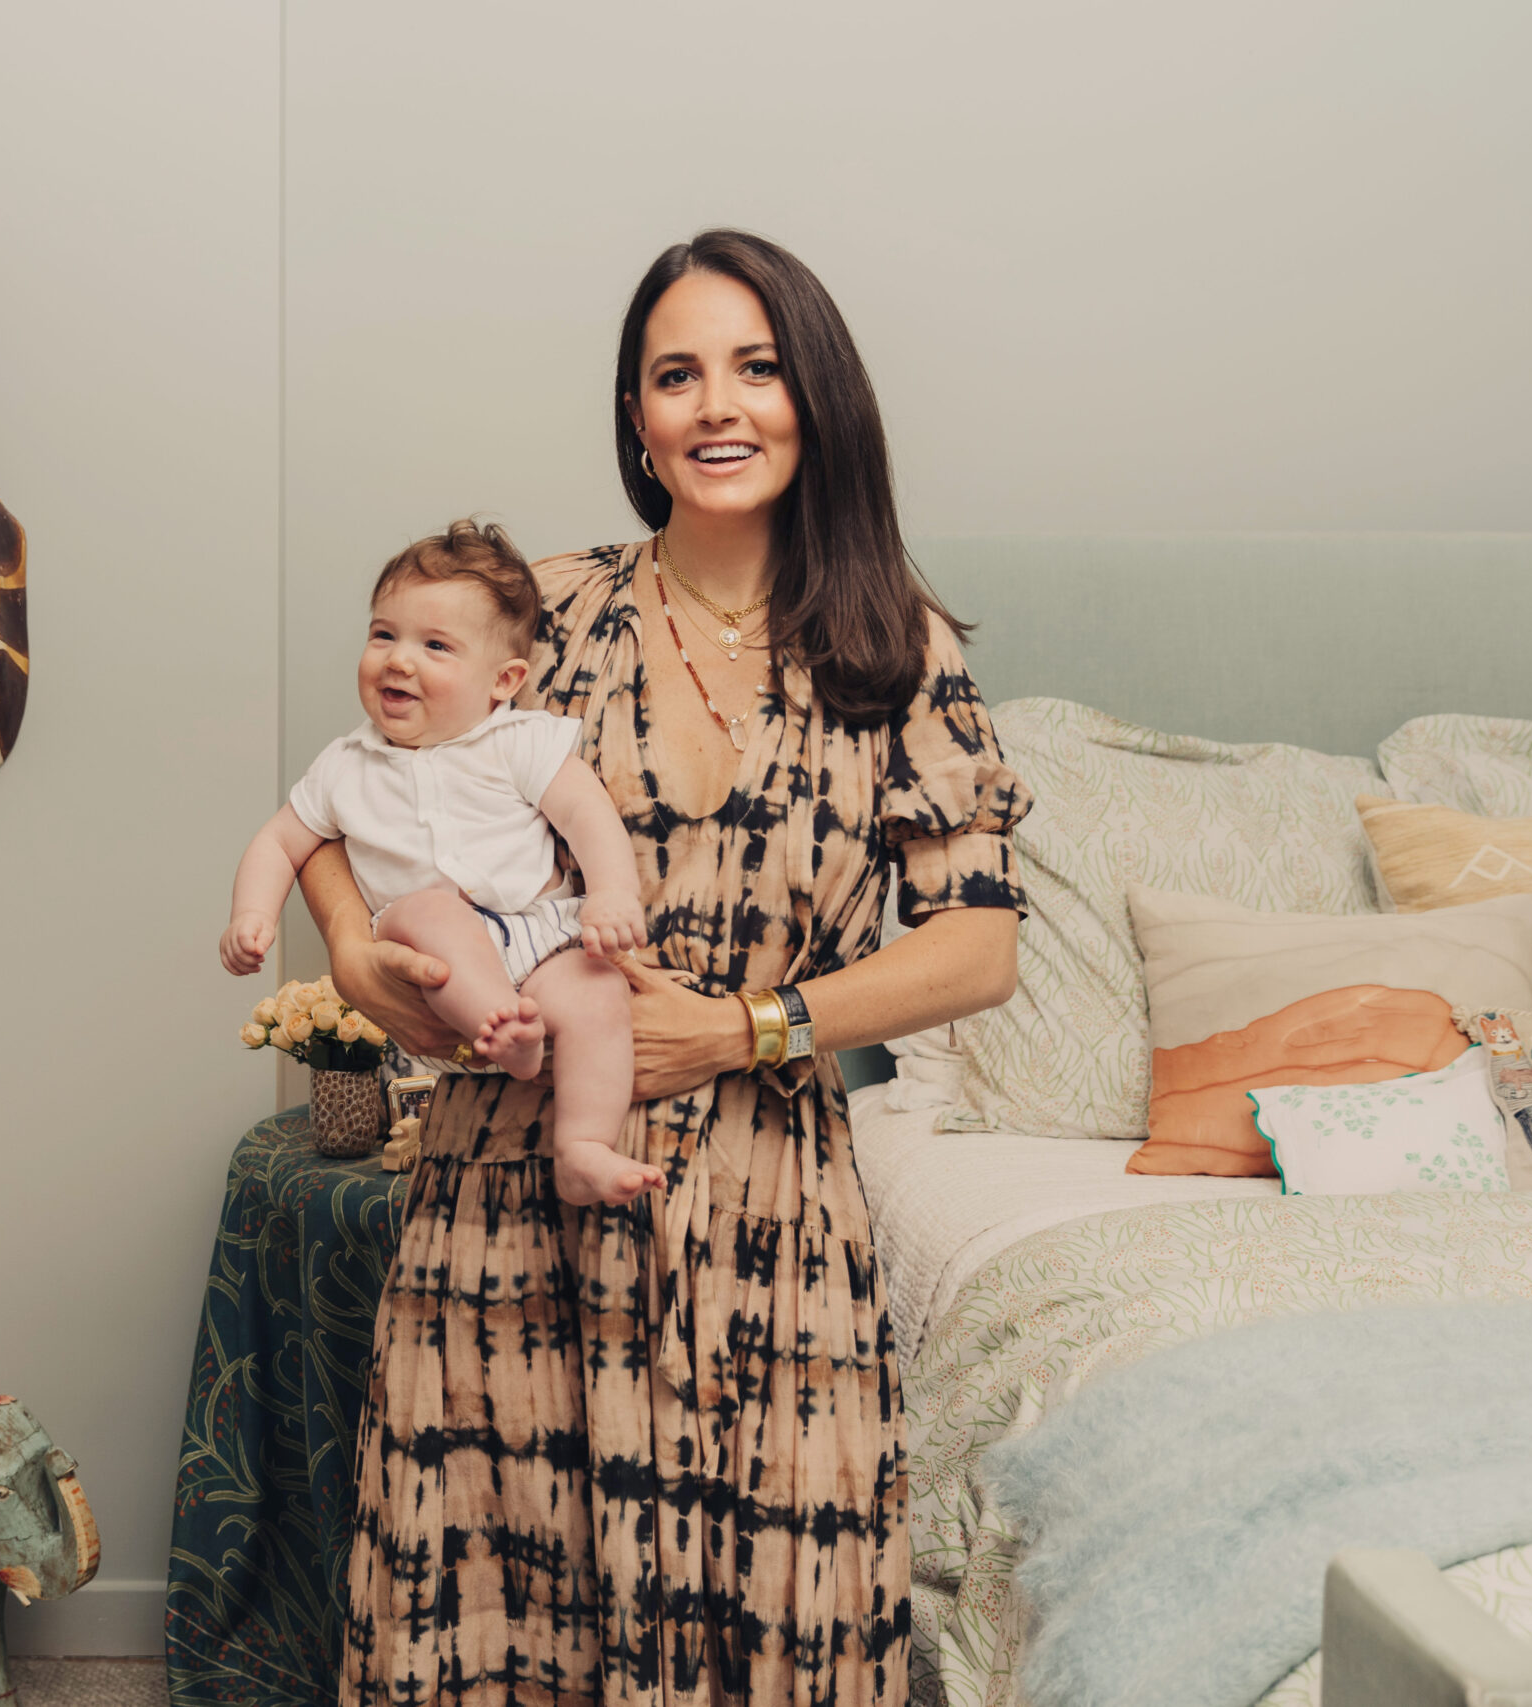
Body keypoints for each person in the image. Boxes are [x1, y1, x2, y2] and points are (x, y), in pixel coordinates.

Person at [314, 230, 1033, 1703]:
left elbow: (979, 943)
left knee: (785, 1622)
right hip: (508, 1191)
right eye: (677, 374)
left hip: (771, 1204)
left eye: (758, 368)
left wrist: (742, 1028)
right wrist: (345, 944)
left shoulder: (900, 645)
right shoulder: (546, 611)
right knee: (497, 1609)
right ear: (637, 418)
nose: (720, 405)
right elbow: (337, 803)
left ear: (816, 395)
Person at [221, 521, 665, 1206]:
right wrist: (251, 914)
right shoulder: (346, 764)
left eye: (434, 645)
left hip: (539, 936)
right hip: (435, 955)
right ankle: (505, 1030)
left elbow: (587, 814)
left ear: (503, 680)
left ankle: (584, 1146)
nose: (399, 660)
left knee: (600, 993)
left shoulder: (516, 740)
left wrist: (611, 892)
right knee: (429, 907)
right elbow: (281, 841)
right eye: (383, 635)